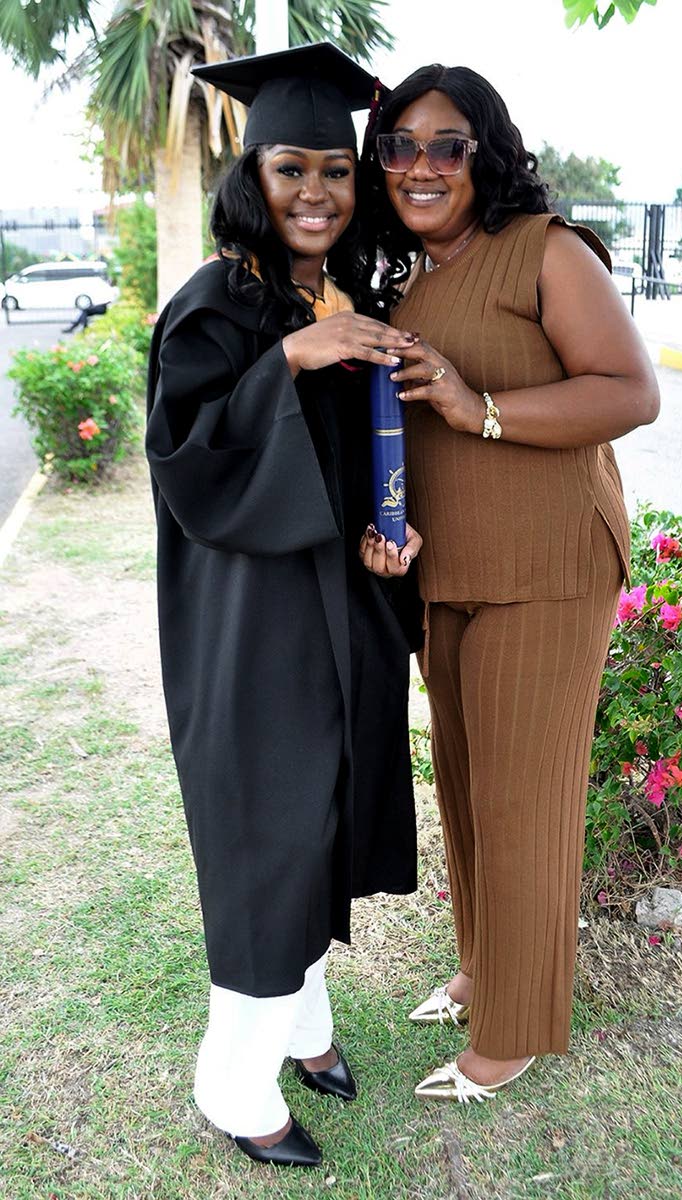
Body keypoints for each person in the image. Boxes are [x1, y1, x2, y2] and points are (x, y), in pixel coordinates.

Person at [360, 64, 660, 1103]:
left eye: (446, 144)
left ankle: (515, 1031)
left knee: (522, 801)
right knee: (466, 788)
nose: (421, 166)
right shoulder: (411, 278)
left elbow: (630, 392)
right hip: (453, 569)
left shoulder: (547, 251)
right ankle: (485, 969)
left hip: (546, 564)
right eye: (398, 146)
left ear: (484, 151)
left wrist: (476, 406)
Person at [146, 43, 422, 1168]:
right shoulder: (218, 305)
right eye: (290, 169)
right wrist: (290, 361)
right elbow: (190, 465)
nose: (316, 192)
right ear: (248, 178)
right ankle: (231, 1081)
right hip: (249, 620)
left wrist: (385, 533)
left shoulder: (337, 296)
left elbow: (357, 465)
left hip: (335, 603)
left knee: (325, 817)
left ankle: (304, 1026)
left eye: (336, 172)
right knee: (269, 832)